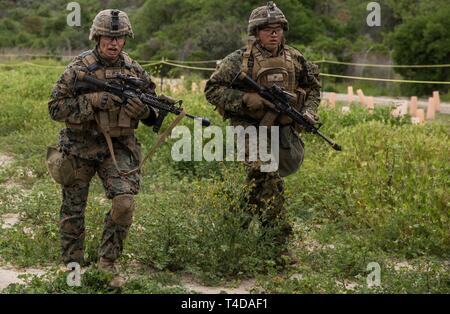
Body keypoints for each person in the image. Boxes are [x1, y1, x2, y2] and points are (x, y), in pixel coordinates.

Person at [47, 9, 159, 287]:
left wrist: (143, 111)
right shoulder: (78, 69)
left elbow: (154, 112)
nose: (114, 43)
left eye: (119, 37)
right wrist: (92, 101)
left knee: (124, 203)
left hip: (118, 148)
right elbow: (55, 108)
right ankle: (72, 268)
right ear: (97, 36)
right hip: (78, 147)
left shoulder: (134, 71)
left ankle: (108, 263)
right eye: (109, 37)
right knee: (73, 211)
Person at [204, 1, 321, 262]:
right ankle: (278, 245)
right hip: (248, 128)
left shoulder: (296, 58)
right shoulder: (238, 61)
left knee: (258, 184)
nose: (273, 33)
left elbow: (313, 88)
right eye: (267, 29)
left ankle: (233, 227)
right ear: (255, 32)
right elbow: (212, 91)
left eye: (278, 28)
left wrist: (309, 113)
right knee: (267, 172)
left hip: (282, 129)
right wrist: (248, 101)